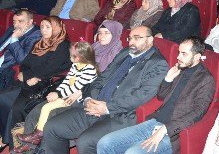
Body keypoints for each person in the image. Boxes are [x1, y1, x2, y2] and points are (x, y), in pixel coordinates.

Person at [39, 25, 169, 154]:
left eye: (137, 38)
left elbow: (141, 95)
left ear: (150, 39)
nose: (132, 42)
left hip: (119, 115)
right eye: (130, 38)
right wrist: (89, 98)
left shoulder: (158, 63)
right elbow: (102, 77)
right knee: (52, 127)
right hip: (94, 106)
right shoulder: (125, 53)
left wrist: (106, 107)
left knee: (85, 141)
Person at [96, 36, 215, 154]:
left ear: (197, 57)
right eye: (179, 52)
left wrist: (166, 129)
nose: (178, 57)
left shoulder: (206, 80)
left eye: (184, 54)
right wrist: (168, 79)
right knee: (105, 143)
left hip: (173, 134)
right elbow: (161, 96)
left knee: (133, 153)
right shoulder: (180, 69)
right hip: (154, 122)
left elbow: (198, 112)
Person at [0, 17, 71, 150]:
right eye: (42, 27)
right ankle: (3, 135)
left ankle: (12, 142)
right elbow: (26, 62)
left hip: (44, 84)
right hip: (29, 81)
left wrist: (28, 75)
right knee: (2, 97)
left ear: (58, 28)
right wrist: (24, 73)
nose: (43, 30)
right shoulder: (40, 43)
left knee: (16, 107)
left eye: (48, 27)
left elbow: (51, 68)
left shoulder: (63, 45)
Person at [15, 41, 98, 150]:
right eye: (70, 55)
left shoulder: (90, 69)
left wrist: (58, 94)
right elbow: (66, 81)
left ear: (83, 57)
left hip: (77, 100)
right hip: (65, 95)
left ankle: (37, 136)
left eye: (73, 56)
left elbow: (76, 87)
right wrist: (57, 92)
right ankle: (28, 145)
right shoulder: (75, 65)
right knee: (36, 110)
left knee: (47, 109)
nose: (70, 58)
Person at [0, 9, 42, 89]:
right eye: (14, 21)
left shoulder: (36, 35)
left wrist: (14, 38)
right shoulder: (12, 28)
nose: (16, 25)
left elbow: (23, 60)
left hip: (4, 69)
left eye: (20, 21)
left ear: (30, 22)